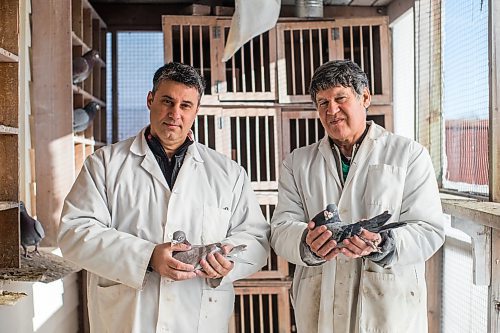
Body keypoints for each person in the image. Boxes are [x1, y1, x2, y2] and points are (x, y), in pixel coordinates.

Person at [58, 62, 270, 333]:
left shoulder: (228, 174)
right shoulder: (105, 165)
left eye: (185, 106)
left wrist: (229, 261)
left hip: (198, 317)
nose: (174, 114)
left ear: (196, 111)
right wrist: (147, 257)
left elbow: (256, 240)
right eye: (167, 101)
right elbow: (74, 232)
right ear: (150, 100)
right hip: (128, 319)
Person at [270, 60, 444, 333]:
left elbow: (429, 229)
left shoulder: (408, 155)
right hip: (319, 304)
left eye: (340, 98)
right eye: (322, 102)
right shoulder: (298, 163)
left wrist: (385, 244)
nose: (332, 110)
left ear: (365, 98)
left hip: (387, 306)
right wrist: (307, 242)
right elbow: (280, 229)